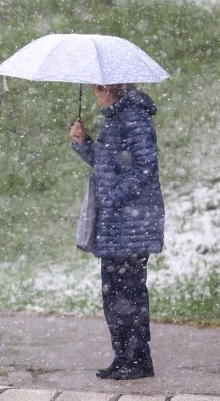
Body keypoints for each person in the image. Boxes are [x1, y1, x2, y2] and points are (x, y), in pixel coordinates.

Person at [68, 83, 165, 381]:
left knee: (129, 295)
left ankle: (137, 359)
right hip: (116, 226)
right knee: (114, 294)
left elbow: (146, 165)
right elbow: (108, 165)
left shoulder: (134, 117)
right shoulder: (115, 120)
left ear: (115, 89)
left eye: (100, 87)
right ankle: (123, 357)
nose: (96, 93)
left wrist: (113, 198)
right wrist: (84, 143)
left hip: (131, 225)